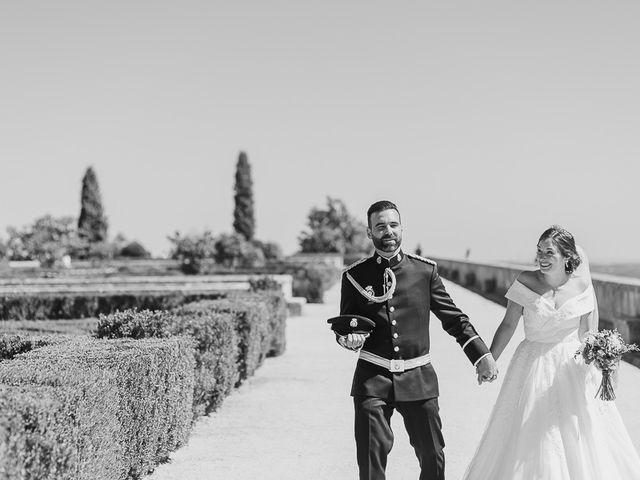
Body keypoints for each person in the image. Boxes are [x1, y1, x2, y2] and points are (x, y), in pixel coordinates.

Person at [335, 200, 498, 480]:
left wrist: (482, 356)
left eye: (393, 224)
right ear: (369, 232)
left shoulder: (425, 272)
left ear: (401, 228)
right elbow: (346, 325)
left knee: (433, 457)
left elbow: (454, 319)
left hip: (418, 377)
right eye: (380, 226)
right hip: (372, 378)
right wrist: (346, 339)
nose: (388, 231)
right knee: (371, 461)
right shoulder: (354, 276)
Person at [462, 225, 640, 479]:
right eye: (539, 251)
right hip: (531, 363)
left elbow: (587, 335)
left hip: (571, 369)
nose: (541, 258)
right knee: (527, 435)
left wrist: (603, 357)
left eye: (549, 252)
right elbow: (508, 324)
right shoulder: (526, 280)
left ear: (567, 256)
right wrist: (489, 359)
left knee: (576, 433)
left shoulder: (582, 287)